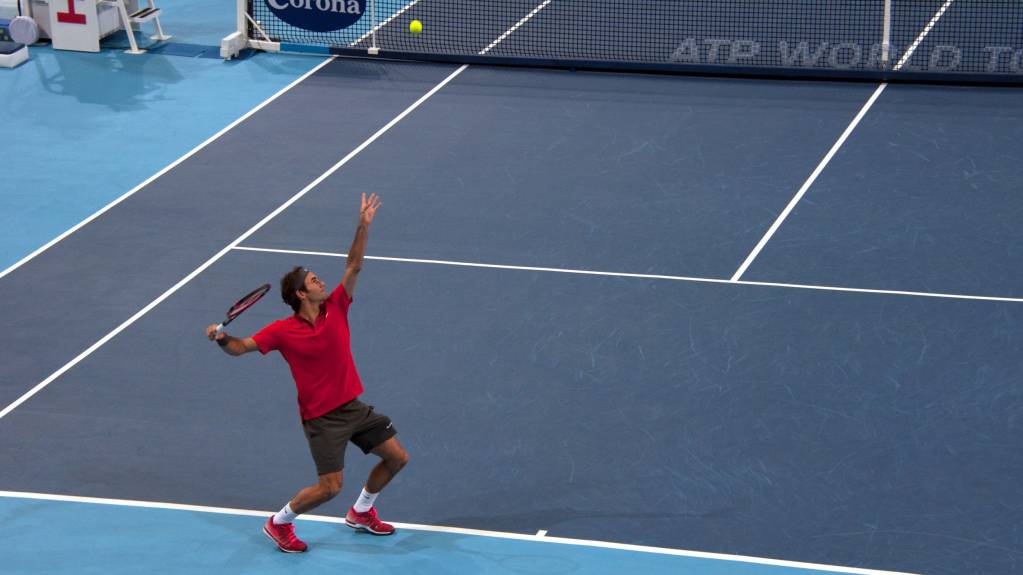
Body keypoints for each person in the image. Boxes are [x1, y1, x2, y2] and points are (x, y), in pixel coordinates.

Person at [205, 192, 408, 553]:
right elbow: (240, 348)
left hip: (353, 407)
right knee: (329, 487)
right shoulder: (282, 331)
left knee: (396, 457)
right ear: (301, 294)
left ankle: (361, 512)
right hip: (322, 419)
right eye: (314, 280)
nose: (321, 282)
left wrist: (362, 226)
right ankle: (278, 522)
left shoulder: (336, 308)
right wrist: (221, 339)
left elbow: (354, 265)